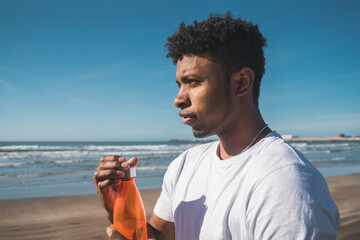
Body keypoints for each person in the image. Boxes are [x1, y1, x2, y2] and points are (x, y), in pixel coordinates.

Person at [93, 12, 340, 240]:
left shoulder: (285, 183)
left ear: (241, 83)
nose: (178, 98)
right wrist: (120, 209)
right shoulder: (185, 165)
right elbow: (160, 236)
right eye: (179, 84)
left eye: (193, 82)